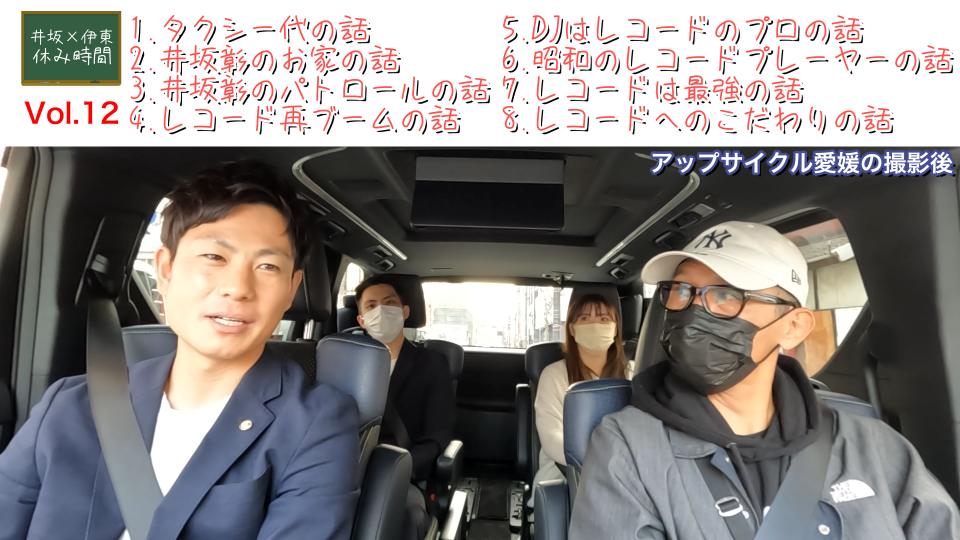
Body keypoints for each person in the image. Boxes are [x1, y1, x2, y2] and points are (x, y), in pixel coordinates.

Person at [0, 160, 361, 540]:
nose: (238, 287)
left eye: (268, 266)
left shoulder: (316, 422)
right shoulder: (70, 404)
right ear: (166, 270)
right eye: (215, 257)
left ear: (291, 289)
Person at [569, 221, 960, 539]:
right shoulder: (629, 448)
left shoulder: (877, 448)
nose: (693, 311)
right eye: (682, 290)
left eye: (727, 294)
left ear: (793, 327)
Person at [354, 274, 456, 540]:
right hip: (346, 469)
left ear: (405, 311)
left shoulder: (432, 364)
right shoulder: (344, 363)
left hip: (402, 473)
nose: (380, 311)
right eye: (371, 306)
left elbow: (438, 435)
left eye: (389, 303)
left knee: (405, 517)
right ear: (361, 321)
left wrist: (398, 469)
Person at [530, 293, 633, 506]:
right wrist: (602, 462)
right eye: (585, 318)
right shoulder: (554, 375)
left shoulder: (633, 373)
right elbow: (551, 439)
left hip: (626, 478)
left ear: (615, 329)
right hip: (564, 476)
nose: (595, 325)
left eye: (604, 319)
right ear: (572, 329)